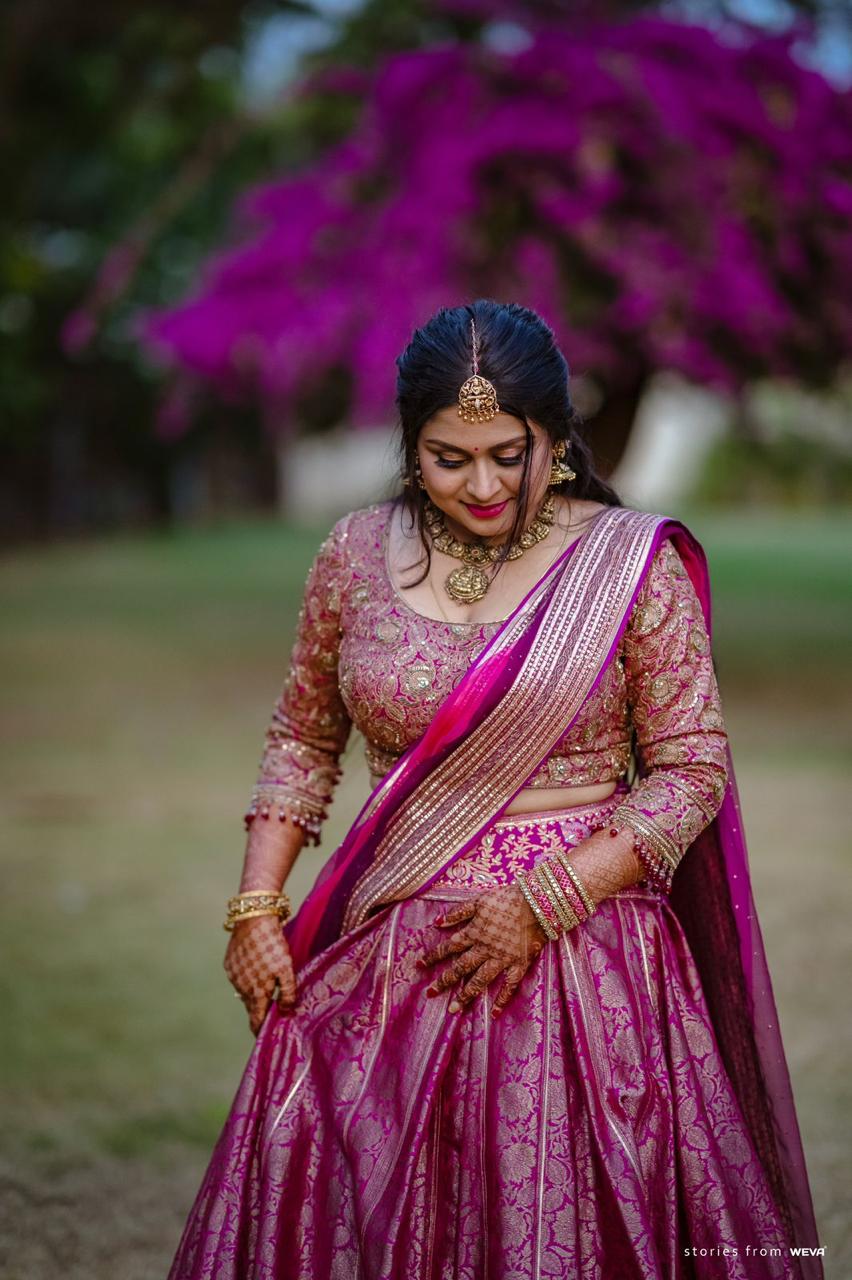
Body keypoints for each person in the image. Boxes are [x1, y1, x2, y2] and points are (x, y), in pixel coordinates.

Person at [167, 301, 822, 1280]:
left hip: (584, 973)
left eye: (509, 456)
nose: (480, 485)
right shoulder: (352, 555)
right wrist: (258, 900)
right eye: (448, 457)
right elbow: (304, 733)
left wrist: (545, 899)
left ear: (555, 441)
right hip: (386, 965)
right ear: (409, 446)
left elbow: (691, 769)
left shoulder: (627, 564)